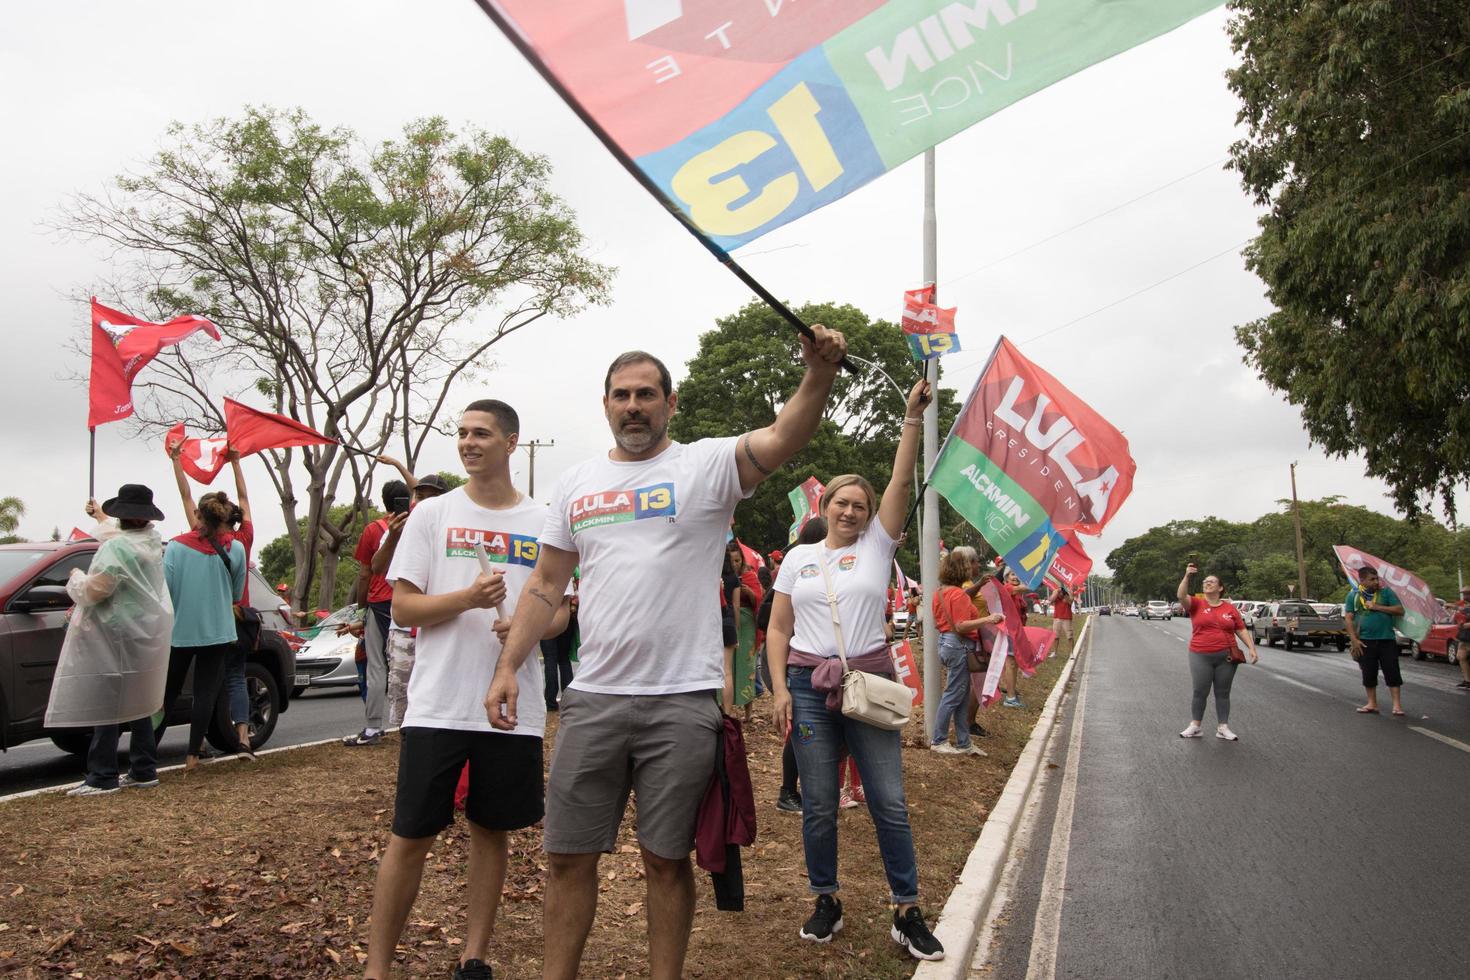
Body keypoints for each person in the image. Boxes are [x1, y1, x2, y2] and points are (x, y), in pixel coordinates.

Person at [484, 329, 849, 980]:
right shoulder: (574, 485)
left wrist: (817, 376)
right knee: (567, 856)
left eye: (646, 394)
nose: (633, 405)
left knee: (665, 858)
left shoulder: (704, 466)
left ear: (670, 403)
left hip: (681, 702)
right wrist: (509, 665)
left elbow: (781, 437)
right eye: (621, 395)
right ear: (605, 405)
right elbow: (544, 584)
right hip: (592, 699)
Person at [363, 400, 570, 980]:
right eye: (462, 433)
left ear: (511, 442)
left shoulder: (543, 520)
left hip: (513, 707)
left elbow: (558, 612)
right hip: (439, 703)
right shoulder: (434, 516)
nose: (468, 443)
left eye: (481, 433)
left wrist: (526, 627)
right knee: (410, 835)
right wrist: (467, 600)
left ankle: (474, 956)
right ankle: (376, 968)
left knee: (491, 831)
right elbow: (403, 605)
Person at [767, 378, 946, 962]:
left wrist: (911, 420)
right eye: (840, 502)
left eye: (859, 505)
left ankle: (907, 909)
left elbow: (900, 479)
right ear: (824, 508)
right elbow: (777, 629)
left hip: (868, 684)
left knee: (888, 801)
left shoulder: (877, 547)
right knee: (818, 803)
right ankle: (826, 899)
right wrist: (777, 692)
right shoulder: (797, 559)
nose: (850, 510)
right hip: (809, 686)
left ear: (870, 514)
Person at [51, 486, 172, 795]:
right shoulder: (151, 541)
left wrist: (76, 577)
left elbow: (95, 590)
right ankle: (144, 769)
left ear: (123, 515)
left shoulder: (117, 549)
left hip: (114, 633)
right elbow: (116, 537)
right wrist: (101, 517)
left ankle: (102, 775)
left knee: (109, 703)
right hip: (143, 631)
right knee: (139, 701)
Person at [169, 445, 257, 755]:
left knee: (201, 686)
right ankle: (244, 738)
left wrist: (177, 461)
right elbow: (244, 499)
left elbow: (185, 496)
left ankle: (200, 743)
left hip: (207, 623)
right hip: (239, 621)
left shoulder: (197, 537)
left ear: (202, 517)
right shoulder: (243, 538)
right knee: (235, 677)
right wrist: (235, 463)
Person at [161, 490, 247, 771]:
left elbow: (168, 592)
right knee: (205, 693)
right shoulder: (236, 548)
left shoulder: (175, 546)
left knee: (166, 694)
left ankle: (146, 751)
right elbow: (236, 592)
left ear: (199, 515)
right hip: (219, 630)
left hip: (180, 631)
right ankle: (192, 757)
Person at [344, 460, 417, 747]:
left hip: (379, 602)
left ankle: (373, 727)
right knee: (414, 660)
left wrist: (361, 608)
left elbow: (366, 572)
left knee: (377, 666)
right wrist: (400, 465)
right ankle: (412, 720)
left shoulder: (373, 530)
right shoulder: (416, 520)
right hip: (408, 599)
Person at [773, 517, 827, 813]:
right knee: (797, 732)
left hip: (805, 665)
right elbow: (770, 621)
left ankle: (805, 789)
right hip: (787, 664)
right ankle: (787, 792)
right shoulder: (796, 570)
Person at [1176, 562, 1258, 740]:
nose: (1207, 583)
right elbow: (1181, 595)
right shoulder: (1197, 604)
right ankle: (1195, 725)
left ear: (1220, 588)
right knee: (1200, 691)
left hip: (1226, 656)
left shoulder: (1229, 608)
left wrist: (1251, 648)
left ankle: (1223, 727)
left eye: (1212, 581)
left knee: (1223, 692)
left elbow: (1241, 629)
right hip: (1200, 654)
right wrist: (1187, 576)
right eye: (1205, 581)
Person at [930, 547, 999, 756]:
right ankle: (939, 739)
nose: (971, 569)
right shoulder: (958, 595)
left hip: (947, 643)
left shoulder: (941, 592)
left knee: (959, 694)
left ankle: (964, 741)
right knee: (953, 694)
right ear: (961, 570)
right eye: (968, 566)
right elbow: (961, 625)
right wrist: (988, 619)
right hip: (958, 644)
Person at [1344, 564, 1406, 717]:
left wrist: (1377, 607)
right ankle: (1372, 703)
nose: (1376, 582)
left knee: (1392, 671)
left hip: (1386, 639)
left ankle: (1397, 705)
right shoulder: (1353, 595)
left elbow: (1399, 610)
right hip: (1365, 640)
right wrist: (1353, 640)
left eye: (1377, 578)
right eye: (1372, 579)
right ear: (1362, 580)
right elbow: (1349, 618)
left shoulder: (1386, 593)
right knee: (1368, 672)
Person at [1048, 584, 1074, 656]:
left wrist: (1066, 594)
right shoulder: (1056, 593)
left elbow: (1070, 602)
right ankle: (1055, 652)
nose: (1060, 594)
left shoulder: (1069, 592)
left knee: (1070, 636)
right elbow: (1050, 600)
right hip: (1057, 618)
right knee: (1055, 636)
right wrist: (1056, 592)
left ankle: (1071, 653)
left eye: (1061, 592)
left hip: (1067, 618)